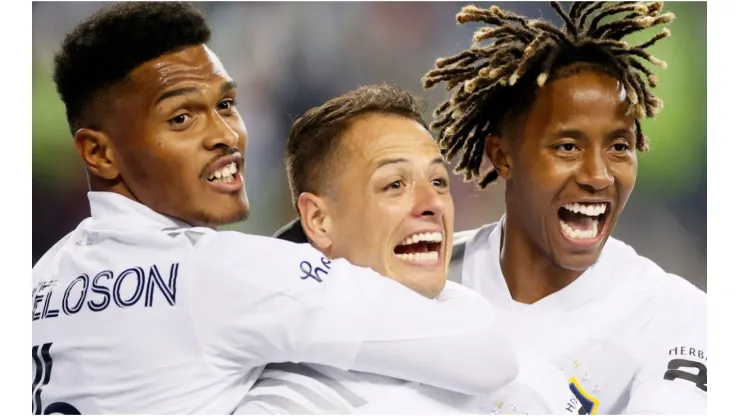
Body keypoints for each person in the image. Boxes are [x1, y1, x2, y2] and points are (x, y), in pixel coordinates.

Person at [31, 3, 519, 414]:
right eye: (181, 118)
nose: (225, 136)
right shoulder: (228, 273)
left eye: (226, 105)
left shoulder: (40, 280)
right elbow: (487, 355)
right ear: (99, 152)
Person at [422, 2, 707, 414]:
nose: (599, 175)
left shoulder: (678, 316)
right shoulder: (421, 280)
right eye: (568, 146)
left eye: (620, 147)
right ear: (503, 156)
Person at [247, 84, 578, 414]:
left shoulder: (524, 365)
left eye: (438, 182)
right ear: (319, 220)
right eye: (394, 184)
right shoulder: (286, 403)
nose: (432, 203)